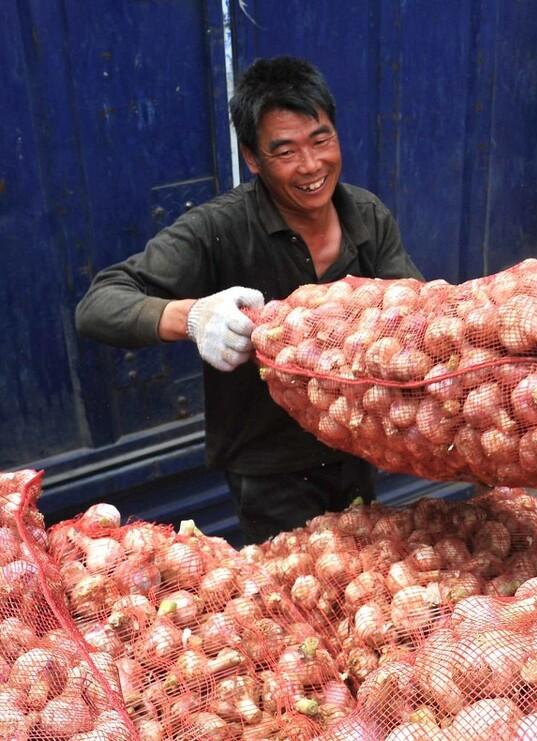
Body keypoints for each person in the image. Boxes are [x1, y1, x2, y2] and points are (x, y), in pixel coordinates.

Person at [75, 57, 423, 543]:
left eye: (321, 140)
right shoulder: (218, 228)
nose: (310, 166)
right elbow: (98, 304)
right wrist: (192, 316)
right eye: (285, 151)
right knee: (297, 587)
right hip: (270, 472)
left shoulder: (367, 215)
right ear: (253, 159)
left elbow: (418, 319)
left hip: (356, 448)